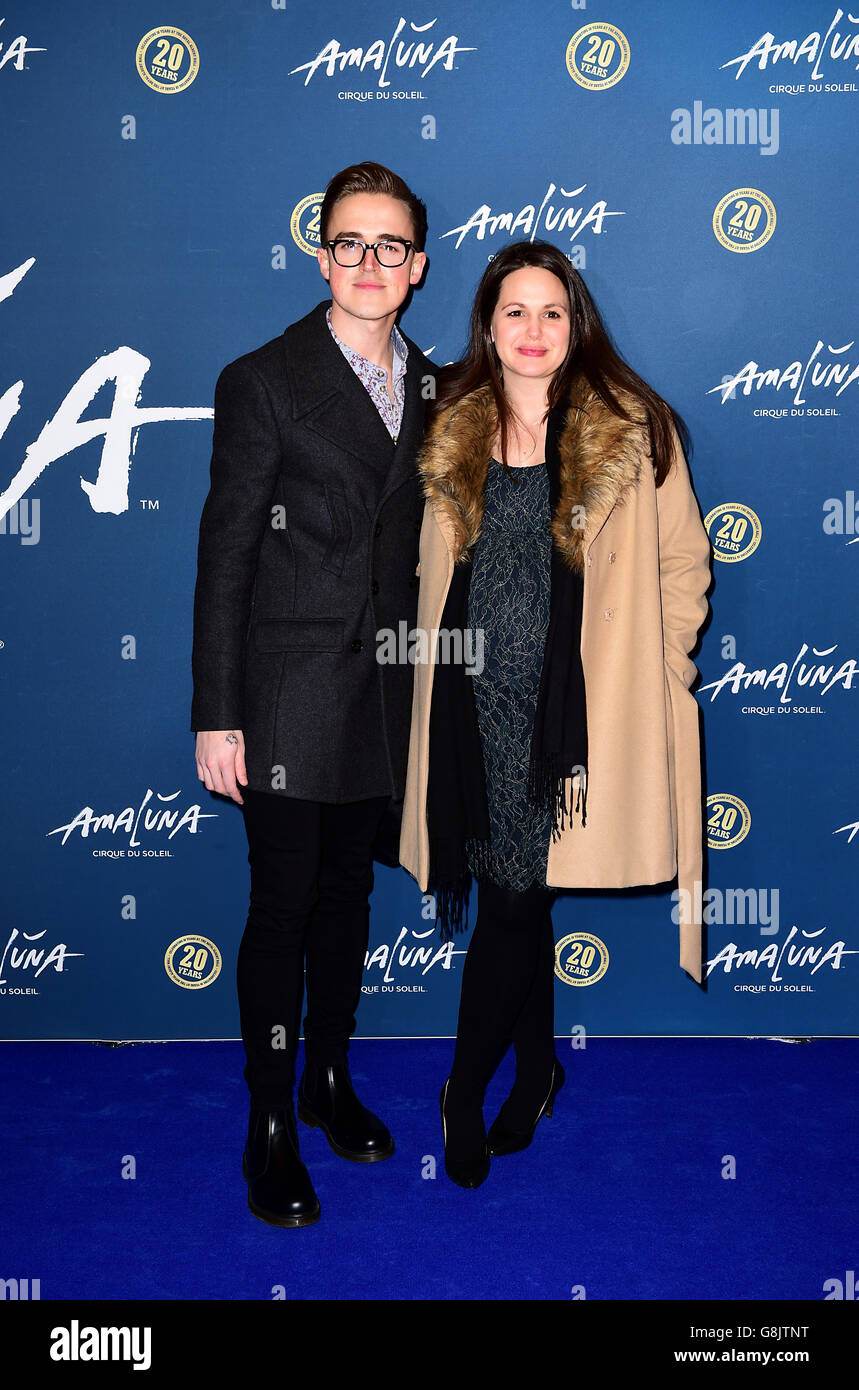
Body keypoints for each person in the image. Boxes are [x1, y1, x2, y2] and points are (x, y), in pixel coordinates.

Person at [399, 240, 712, 1187]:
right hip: (471, 712)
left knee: (512, 900)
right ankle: (535, 1068)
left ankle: (461, 1089)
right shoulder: (451, 430)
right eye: (513, 313)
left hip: (575, 724)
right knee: (514, 900)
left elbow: (682, 566)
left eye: (551, 312)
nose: (532, 331)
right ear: (486, 329)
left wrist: (656, 671)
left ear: (576, 325)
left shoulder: (633, 427)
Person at [191, 162, 433, 1226]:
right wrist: (216, 711)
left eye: (390, 246)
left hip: (391, 700)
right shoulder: (264, 379)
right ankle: (271, 1120)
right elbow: (226, 558)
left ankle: (330, 1078)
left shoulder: (441, 388)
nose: (369, 263)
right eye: (350, 242)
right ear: (319, 250)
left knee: (351, 899)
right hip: (287, 696)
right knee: (283, 908)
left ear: (417, 266)